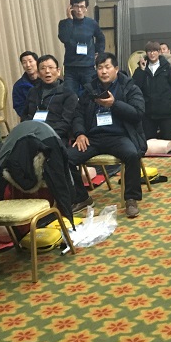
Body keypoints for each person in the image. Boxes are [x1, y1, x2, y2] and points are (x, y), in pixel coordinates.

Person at [67, 52, 147, 219]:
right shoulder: (90, 89)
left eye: (107, 67)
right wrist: (80, 133)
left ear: (116, 69)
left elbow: (137, 114)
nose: (103, 71)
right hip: (93, 138)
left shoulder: (129, 87)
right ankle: (82, 198)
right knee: (66, 158)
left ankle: (131, 199)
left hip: (119, 136)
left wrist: (114, 104)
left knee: (132, 154)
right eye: (100, 68)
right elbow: (78, 114)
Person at [21, 55, 78, 142]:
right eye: (43, 68)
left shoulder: (68, 94)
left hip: (54, 136)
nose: (47, 71)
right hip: (31, 134)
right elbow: (24, 116)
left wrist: (44, 134)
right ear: (38, 73)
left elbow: (66, 123)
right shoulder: (32, 92)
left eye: (51, 67)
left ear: (58, 71)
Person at [57, 0, 105, 96]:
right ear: (71, 7)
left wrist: (99, 52)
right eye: (76, 6)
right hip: (70, 67)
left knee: (92, 94)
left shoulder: (92, 23)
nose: (79, 10)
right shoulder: (64, 23)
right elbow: (64, 38)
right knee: (70, 96)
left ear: (86, 8)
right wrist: (69, 19)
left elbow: (101, 38)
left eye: (82, 7)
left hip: (88, 66)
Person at [132, 41, 171, 141]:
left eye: (155, 51)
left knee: (168, 141)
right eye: (149, 51)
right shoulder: (141, 69)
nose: (152, 53)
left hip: (166, 111)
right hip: (148, 113)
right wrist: (141, 70)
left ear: (159, 52)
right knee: (149, 142)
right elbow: (135, 87)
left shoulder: (168, 68)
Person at [13, 51, 40, 117]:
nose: (28, 65)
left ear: (37, 62)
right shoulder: (19, 86)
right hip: (30, 118)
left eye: (30, 61)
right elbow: (19, 107)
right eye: (24, 62)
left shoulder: (46, 80)